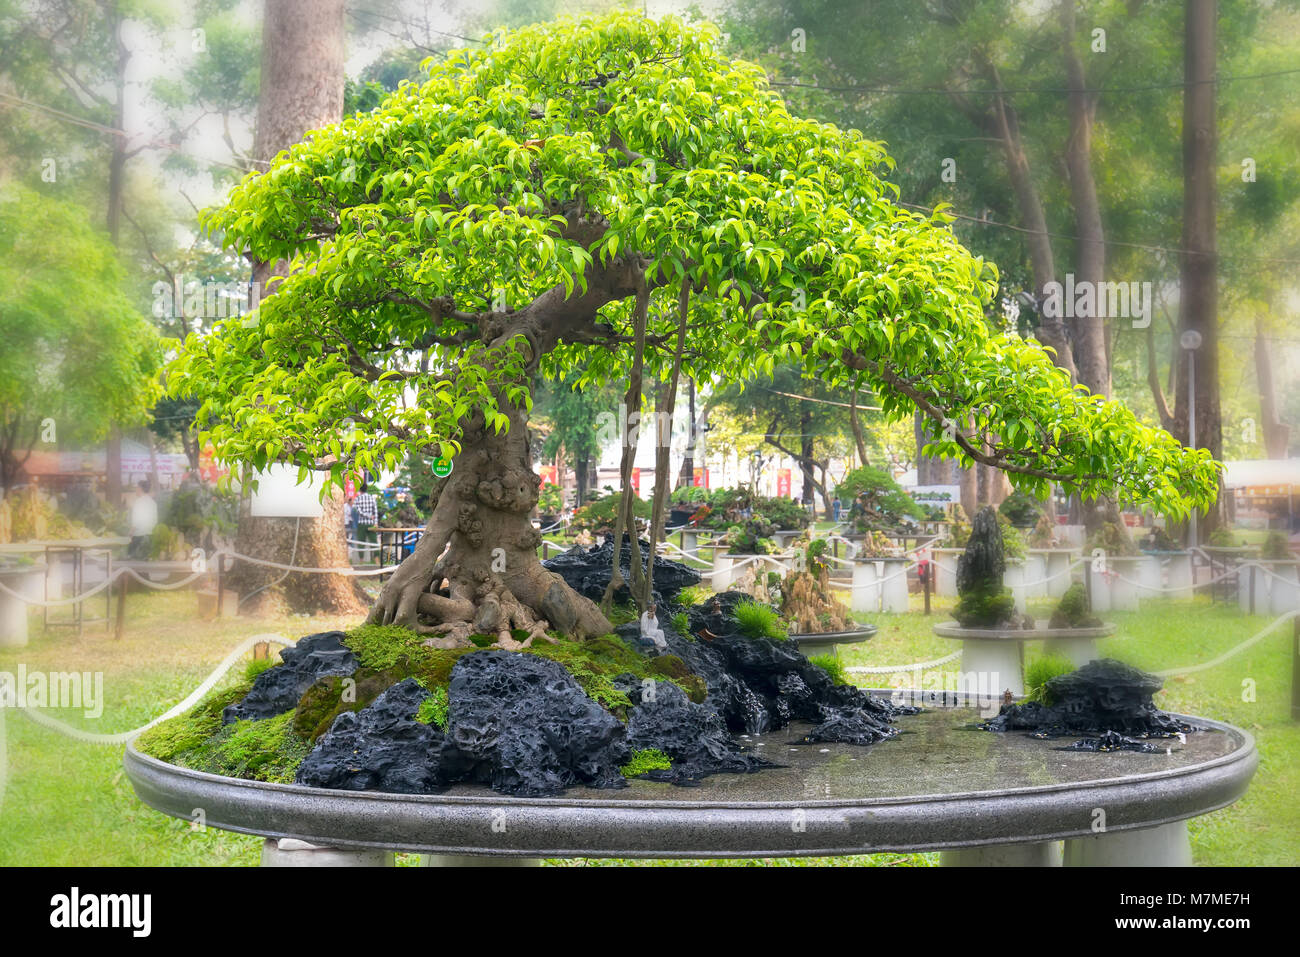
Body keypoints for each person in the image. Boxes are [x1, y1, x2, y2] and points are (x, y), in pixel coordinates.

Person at [128, 480, 158, 559]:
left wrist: (131, 532)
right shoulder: (152, 502)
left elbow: (137, 520)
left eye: (136, 487)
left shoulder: (139, 502)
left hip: (138, 536)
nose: (136, 490)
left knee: (134, 562)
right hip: (150, 535)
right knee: (146, 562)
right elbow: (155, 520)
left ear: (140, 488)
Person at [352, 481, 379, 562]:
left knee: (361, 542)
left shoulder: (357, 499)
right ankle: (377, 560)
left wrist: (367, 515)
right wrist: (375, 522)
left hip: (362, 523)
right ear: (367, 489)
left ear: (359, 489)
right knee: (374, 541)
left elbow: (359, 511)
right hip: (371, 523)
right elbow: (375, 511)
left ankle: (361, 560)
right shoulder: (372, 498)